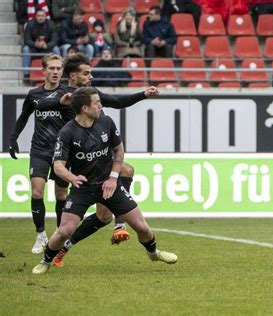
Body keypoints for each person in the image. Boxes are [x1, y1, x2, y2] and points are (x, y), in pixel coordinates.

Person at [31, 87, 177, 274]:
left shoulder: (106, 122)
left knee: (142, 228)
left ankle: (154, 253)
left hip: (109, 185)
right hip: (82, 187)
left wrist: (113, 178)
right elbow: (58, 165)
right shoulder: (67, 132)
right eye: (96, 103)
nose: (100, 106)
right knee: (64, 231)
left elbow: (119, 150)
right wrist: (72, 178)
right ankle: (46, 261)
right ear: (84, 108)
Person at [9, 53, 71, 254]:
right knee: (37, 191)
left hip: (62, 153)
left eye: (58, 68)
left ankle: (58, 236)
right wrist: (13, 138)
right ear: (43, 71)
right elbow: (24, 116)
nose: (55, 72)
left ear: (62, 71)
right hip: (39, 150)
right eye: (51, 68)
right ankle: (41, 234)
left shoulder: (68, 94)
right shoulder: (34, 94)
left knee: (61, 194)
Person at [22, 9, 60, 81]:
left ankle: (59, 72)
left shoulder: (51, 24)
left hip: (47, 49)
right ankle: (26, 74)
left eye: (42, 16)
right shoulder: (30, 24)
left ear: (46, 16)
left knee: (56, 49)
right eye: (38, 16)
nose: (40, 17)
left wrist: (47, 45)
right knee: (25, 49)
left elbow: (55, 39)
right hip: (34, 49)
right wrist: (35, 44)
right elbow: (26, 40)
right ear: (35, 16)